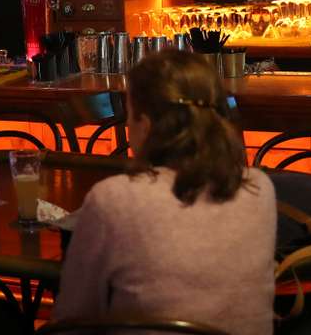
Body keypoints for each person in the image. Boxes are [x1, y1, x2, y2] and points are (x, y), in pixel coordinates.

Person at [52, 49, 277, 335]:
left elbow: (73, 318)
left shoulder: (114, 199)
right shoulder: (260, 188)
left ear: (145, 126)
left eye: (130, 114)